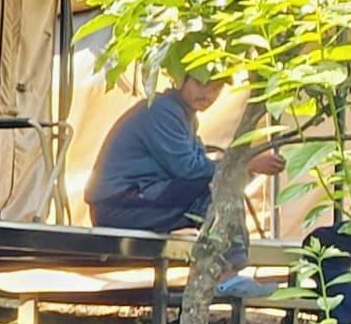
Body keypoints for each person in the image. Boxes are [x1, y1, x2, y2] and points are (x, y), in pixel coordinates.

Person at [89, 72, 278, 236]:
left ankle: (223, 264)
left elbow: (199, 164)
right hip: (118, 205)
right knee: (214, 189)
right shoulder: (162, 110)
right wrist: (246, 164)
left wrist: (242, 165)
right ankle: (226, 268)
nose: (207, 95)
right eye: (200, 84)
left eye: (215, 88)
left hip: (129, 200)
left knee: (219, 184)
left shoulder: (184, 116)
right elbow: (188, 169)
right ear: (181, 80)